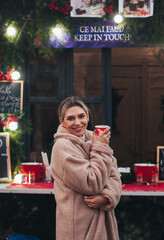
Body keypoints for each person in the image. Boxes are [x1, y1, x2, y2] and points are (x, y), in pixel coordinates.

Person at [50, 96, 122, 240]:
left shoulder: (93, 139)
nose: (77, 122)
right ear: (62, 121)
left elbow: (114, 175)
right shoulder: (63, 147)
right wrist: (101, 147)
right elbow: (91, 183)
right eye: (70, 118)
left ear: (87, 116)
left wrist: (107, 197)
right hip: (78, 228)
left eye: (81, 116)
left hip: (102, 222)